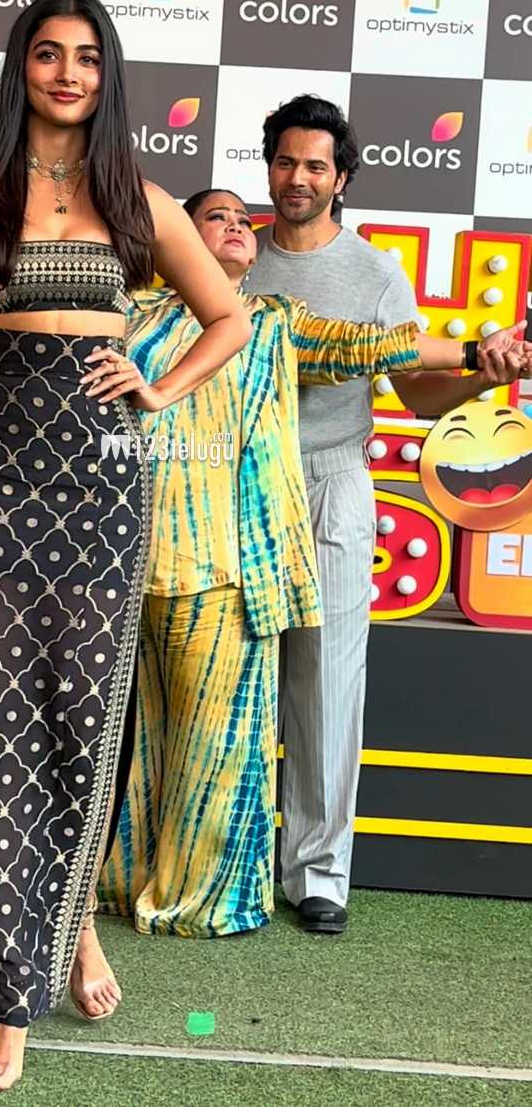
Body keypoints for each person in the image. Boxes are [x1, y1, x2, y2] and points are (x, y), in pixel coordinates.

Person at [0, 0, 251, 1091]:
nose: (68, 72)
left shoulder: (136, 198)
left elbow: (230, 317)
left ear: (108, 78)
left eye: (89, 58)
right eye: (50, 54)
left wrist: (158, 389)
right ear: (22, 67)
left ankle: (70, 930)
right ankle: (11, 1002)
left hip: (101, 482)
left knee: (78, 724)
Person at [96, 189, 528, 940]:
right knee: (148, 734)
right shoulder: (131, 313)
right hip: (139, 554)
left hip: (234, 559)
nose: (237, 227)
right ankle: (134, 875)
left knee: (228, 734)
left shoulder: (272, 320)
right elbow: (43, 336)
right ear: (176, 239)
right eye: (215, 218)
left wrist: (472, 354)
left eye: (242, 219)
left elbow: (374, 345)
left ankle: (213, 894)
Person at [244, 94, 531, 936]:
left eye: (316, 166)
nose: (299, 178)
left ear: (341, 178)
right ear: (270, 167)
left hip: (333, 481)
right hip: (239, 484)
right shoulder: (231, 258)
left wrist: (483, 373)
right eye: (286, 162)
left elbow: (417, 392)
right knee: (234, 682)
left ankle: (318, 875)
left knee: (328, 684)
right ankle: (228, 862)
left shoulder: (374, 274)